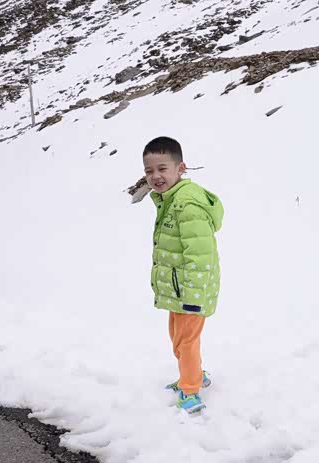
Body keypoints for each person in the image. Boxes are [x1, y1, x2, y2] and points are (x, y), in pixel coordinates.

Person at [143, 136, 224, 413]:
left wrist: (192, 294)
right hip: (179, 288)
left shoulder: (186, 204)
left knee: (186, 342)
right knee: (178, 339)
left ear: (180, 168)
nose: (155, 176)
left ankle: (190, 390)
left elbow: (200, 254)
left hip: (191, 290)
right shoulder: (170, 200)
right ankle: (194, 374)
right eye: (149, 170)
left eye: (162, 169)